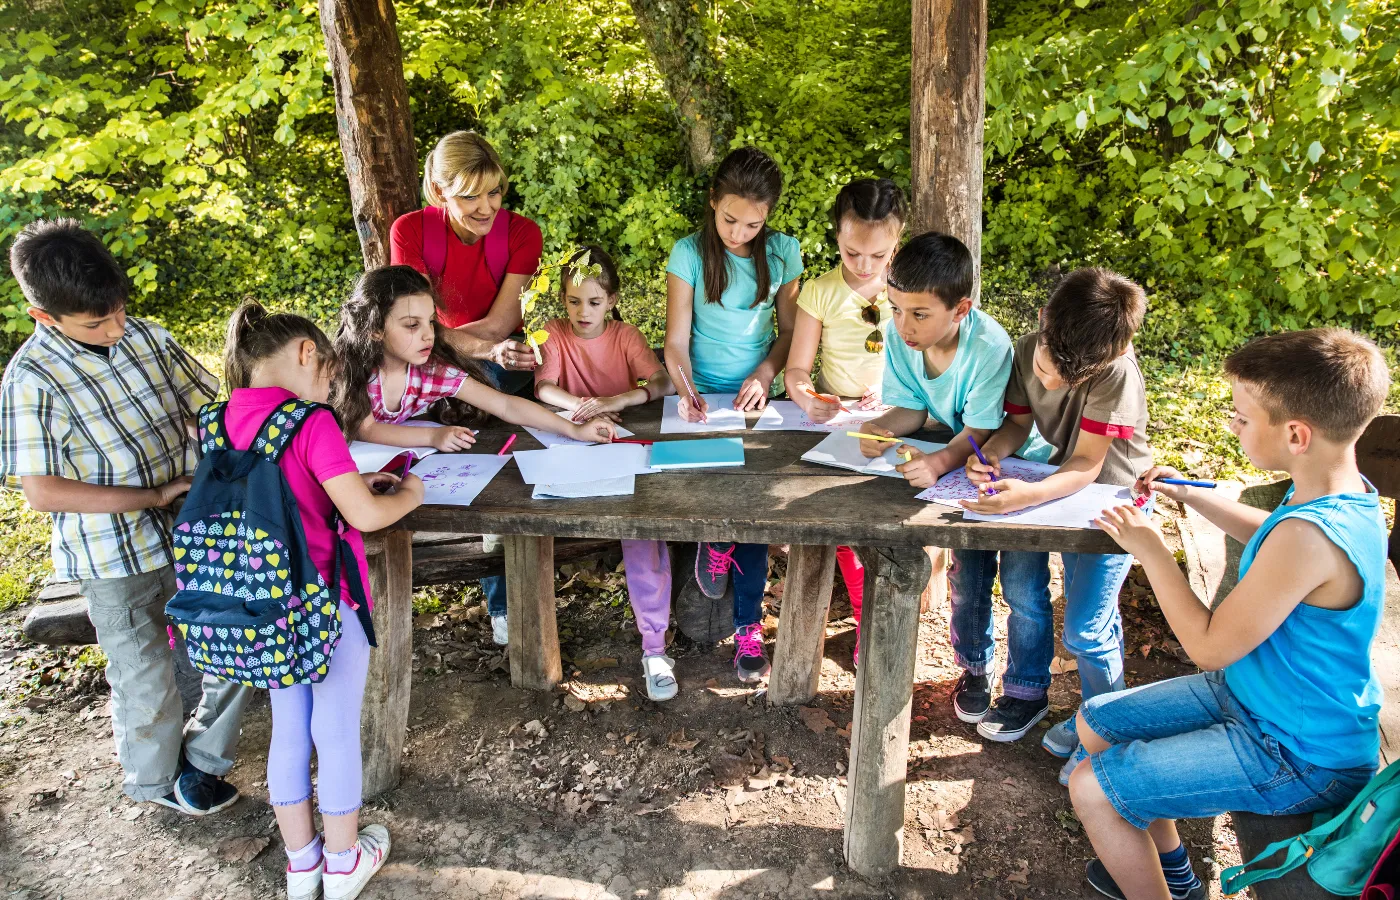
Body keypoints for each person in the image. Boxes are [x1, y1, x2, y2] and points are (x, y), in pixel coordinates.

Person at [1071, 328, 1389, 900]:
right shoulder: (1335, 491)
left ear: (1296, 434)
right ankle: (1172, 873)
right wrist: (1191, 495)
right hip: (1251, 698)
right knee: (1095, 724)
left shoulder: (1311, 537)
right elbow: (1269, 536)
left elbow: (1210, 646)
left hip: (1300, 755)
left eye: (1242, 419)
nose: (1233, 427)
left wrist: (1152, 550)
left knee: (1093, 788)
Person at [0, 218, 251, 814]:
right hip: (112, 553)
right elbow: (42, 492)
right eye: (96, 324)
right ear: (45, 317)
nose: (114, 329)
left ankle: (205, 759)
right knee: (143, 676)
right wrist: (155, 494)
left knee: (232, 642)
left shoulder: (146, 337)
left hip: (196, 532)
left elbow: (213, 409)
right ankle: (156, 784)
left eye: (117, 311)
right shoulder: (30, 380)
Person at [220, 301, 420, 900]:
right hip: (327, 603)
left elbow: (277, 488)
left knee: (289, 728)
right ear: (308, 354)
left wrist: (351, 482)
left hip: (259, 604)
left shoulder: (218, 419)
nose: (331, 388)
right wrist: (408, 491)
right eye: (331, 375)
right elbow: (363, 513)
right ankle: (343, 862)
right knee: (334, 731)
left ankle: (301, 865)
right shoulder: (311, 422)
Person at [331, 265, 616, 645]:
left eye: (432, 322)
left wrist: (573, 429)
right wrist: (434, 435)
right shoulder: (352, 369)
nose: (428, 335)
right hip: (334, 489)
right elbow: (365, 429)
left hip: (385, 482)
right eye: (412, 325)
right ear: (376, 329)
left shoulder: (429, 369)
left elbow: (506, 406)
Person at [955, 269, 1151, 782]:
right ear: (1042, 322)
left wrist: (1031, 493)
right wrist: (991, 455)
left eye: (1066, 379)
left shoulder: (1116, 371)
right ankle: (1084, 715)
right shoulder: (1026, 350)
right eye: (1045, 368)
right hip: (1061, 494)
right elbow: (1017, 424)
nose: (1049, 382)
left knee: (1087, 628)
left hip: (1113, 504)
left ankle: (1105, 735)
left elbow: (1089, 461)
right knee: (1070, 612)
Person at [389, 131, 546, 637]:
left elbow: (501, 325)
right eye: (470, 196)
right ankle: (493, 596)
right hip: (432, 361)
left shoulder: (521, 233)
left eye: (495, 192)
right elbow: (415, 326)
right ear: (438, 193)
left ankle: (510, 597)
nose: (486, 207)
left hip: (498, 362)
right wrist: (449, 346)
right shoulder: (411, 231)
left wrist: (458, 345)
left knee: (507, 467)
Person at [663, 146, 803, 683]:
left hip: (758, 401)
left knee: (758, 517)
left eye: (754, 223)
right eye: (729, 219)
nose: (740, 232)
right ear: (712, 201)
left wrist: (765, 376)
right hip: (699, 396)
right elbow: (675, 342)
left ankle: (750, 626)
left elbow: (789, 333)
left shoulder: (785, 252)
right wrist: (685, 387)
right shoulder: (689, 254)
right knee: (715, 500)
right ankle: (713, 543)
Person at [848, 230, 1015, 660]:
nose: (904, 326)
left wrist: (939, 461)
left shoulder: (988, 346)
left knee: (983, 569)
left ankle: (978, 662)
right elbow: (911, 410)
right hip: (958, 447)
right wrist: (881, 427)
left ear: (961, 309)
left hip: (1002, 456)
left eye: (919, 314)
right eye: (896, 309)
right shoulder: (900, 337)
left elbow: (981, 430)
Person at [533, 246, 678, 698]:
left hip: (622, 448)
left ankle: (654, 647)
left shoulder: (626, 336)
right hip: (569, 448)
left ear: (611, 301)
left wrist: (618, 401)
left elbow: (662, 383)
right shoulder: (553, 334)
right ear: (561, 300)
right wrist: (581, 410)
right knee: (524, 528)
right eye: (573, 301)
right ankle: (525, 641)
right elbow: (543, 387)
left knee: (641, 535)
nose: (582, 311)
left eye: (594, 302)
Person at [783, 178, 905, 660]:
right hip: (841, 420)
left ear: (898, 241)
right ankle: (863, 618)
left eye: (880, 255)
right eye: (854, 253)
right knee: (846, 524)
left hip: (901, 417)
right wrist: (808, 396)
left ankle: (889, 612)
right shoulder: (820, 292)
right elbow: (796, 370)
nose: (866, 266)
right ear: (837, 235)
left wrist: (898, 395)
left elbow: (932, 362)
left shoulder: (910, 290)